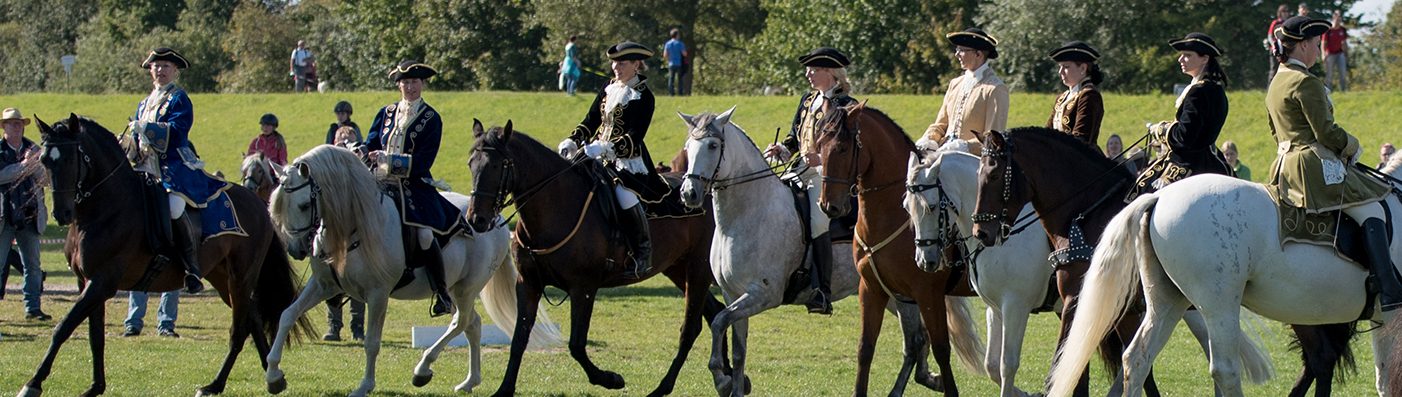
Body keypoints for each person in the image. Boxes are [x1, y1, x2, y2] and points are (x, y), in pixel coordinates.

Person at [1266, 16, 1399, 311]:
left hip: (1284, 165)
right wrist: (1353, 145)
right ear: (1302, 46)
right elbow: (1325, 132)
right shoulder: (1305, 82)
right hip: (1311, 166)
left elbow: (1276, 132)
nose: (1320, 51)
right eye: (1316, 45)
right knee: (1373, 208)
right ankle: (1387, 286)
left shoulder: (1277, 81)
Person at [558, 41, 668, 279]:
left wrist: (606, 147)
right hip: (593, 153)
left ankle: (642, 251)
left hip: (626, 160)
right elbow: (590, 120)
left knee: (624, 194)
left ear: (636, 65)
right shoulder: (608, 87)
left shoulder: (643, 95)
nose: (615, 67)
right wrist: (573, 140)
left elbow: (635, 136)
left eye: (621, 63)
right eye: (614, 62)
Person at [761, 47, 857, 315]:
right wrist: (782, 148)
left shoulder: (846, 106)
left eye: (814, 70)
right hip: (798, 170)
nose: (808, 74)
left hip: (826, 179)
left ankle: (821, 291)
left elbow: (847, 153)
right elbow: (795, 137)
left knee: (817, 222)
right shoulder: (807, 100)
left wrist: (822, 161)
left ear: (831, 73)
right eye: (808, 69)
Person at [359, 60, 457, 317]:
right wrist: (362, 149)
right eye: (405, 82)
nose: (409, 87)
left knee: (424, 234)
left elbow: (424, 161)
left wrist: (389, 160)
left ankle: (442, 292)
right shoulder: (386, 112)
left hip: (412, 186)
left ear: (422, 84)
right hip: (377, 181)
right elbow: (370, 142)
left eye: (414, 82)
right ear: (398, 85)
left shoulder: (431, 118)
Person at [130, 47, 229, 294]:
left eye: (165, 66)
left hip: (173, 165)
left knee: (174, 206)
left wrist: (147, 128)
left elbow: (177, 131)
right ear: (150, 71)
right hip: (144, 165)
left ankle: (190, 266)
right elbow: (134, 135)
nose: (160, 70)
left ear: (175, 72)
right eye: (157, 66)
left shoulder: (179, 99)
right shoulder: (143, 104)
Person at [1130, 33, 1234, 198]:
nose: (1180, 59)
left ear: (1204, 59)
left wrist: (1159, 130)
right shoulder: (1215, 89)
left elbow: (1185, 136)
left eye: (1187, 55)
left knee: (1138, 195)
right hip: (1213, 161)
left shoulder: (1198, 92)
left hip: (1189, 163)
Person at [917, 28, 1009, 155]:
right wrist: (929, 139)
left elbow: (993, 139)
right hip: (943, 154)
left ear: (978, 54)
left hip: (974, 162)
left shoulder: (995, 89)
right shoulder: (955, 84)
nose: (956, 54)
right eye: (957, 49)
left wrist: (963, 146)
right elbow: (941, 124)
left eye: (962, 50)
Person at [0, 108, 48, 321]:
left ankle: (33, 308)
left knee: (33, 265)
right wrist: (24, 165)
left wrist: (36, 165)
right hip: (4, 217)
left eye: (19, 123)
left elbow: (46, 179)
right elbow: (1, 176)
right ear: (4, 127)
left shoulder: (34, 149)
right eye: (12, 123)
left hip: (30, 214)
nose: (17, 126)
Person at [1045, 41, 1104, 150]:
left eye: (1066, 67)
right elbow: (1047, 133)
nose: (1060, 72)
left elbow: (1081, 139)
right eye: (1060, 67)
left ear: (1082, 68)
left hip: (1081, 162)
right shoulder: (1062, 98)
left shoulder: (1089, 95)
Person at [1323, 10, 1349, 91]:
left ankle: (1343, 90)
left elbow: (1344, 42)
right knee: (1329, 74)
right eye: (1337, 18)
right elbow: (1324, 43)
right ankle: (1328, 91)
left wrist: (1346, 53)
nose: (1338, 20)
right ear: (1334, 18)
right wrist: (1323, 55)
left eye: (1340, 18)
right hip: (1330, 53)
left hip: (1340, 53)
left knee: (1342, 72)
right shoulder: (1328, 30)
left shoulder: (1342, 30)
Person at [1266, 5, 1291, 80]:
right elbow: (1270, 36)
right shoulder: (1275, 23)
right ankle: (1270, 88)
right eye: (1284, 11)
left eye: (1287, 11)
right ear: (1280, 12)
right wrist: (1274, 45)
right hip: (1275, 49)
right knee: (1274, 69)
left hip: (1286, 49)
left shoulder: (1288, 23)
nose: (1285, 13)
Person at [663, 29, 688, 96]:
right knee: (680, 79)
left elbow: (665, 55)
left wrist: (669, 57)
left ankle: (671, 93)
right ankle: (680, 93)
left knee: (671, 79)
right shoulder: (680, 43)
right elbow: (684, 54)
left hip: (671, 63)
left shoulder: (668, 44)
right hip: (679, 63)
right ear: (677, 35)